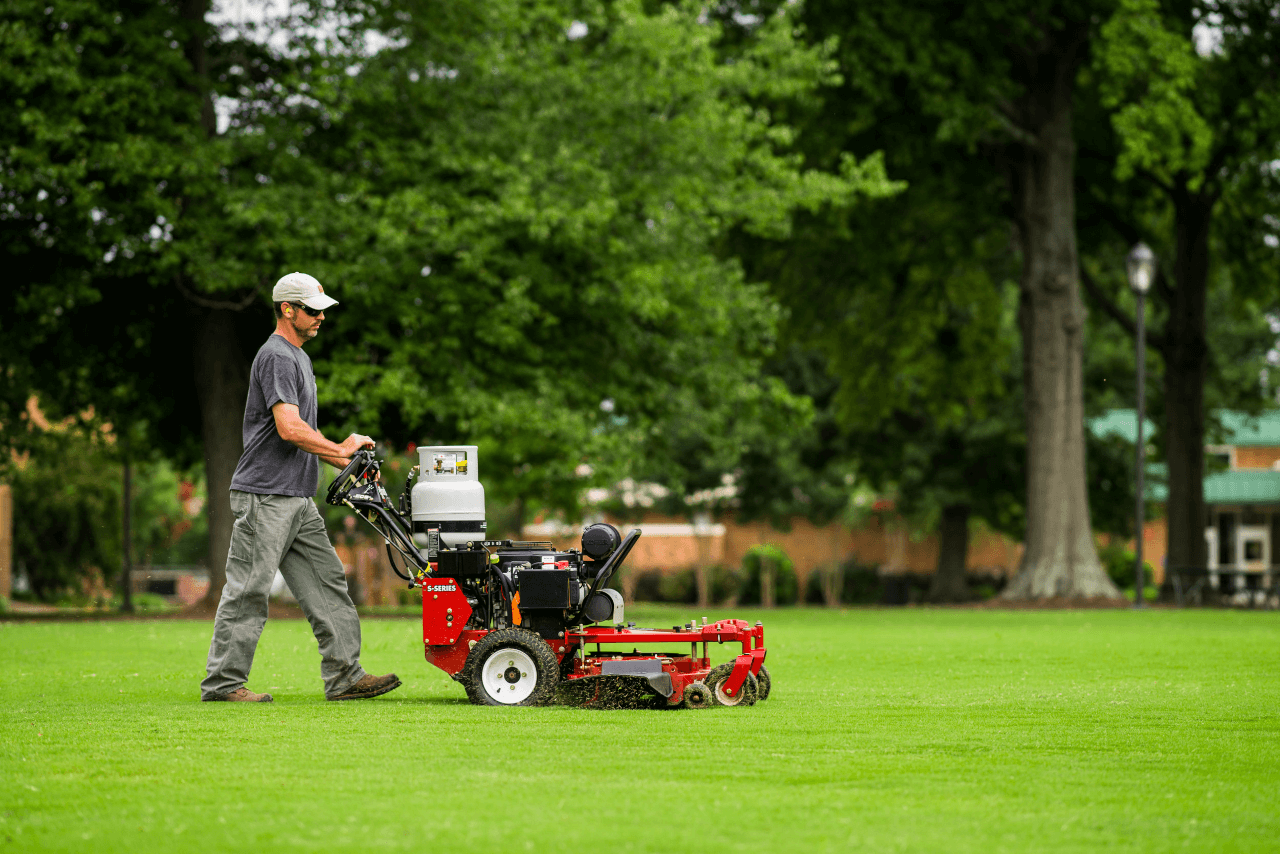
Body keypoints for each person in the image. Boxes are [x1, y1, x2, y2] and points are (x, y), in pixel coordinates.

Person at [201, 271, 401, 703]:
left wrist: (345, 459)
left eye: (322, 311)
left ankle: (346, 676)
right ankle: (223, 684)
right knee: (249, 589)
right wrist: (341, 446)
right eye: (312, 310)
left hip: (297, 497)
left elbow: (303, 436)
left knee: (328, 583)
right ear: (287, 310)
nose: (320, 318)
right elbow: (290, 429)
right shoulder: (276, 355)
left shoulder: (300, 358)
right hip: (265, 496)